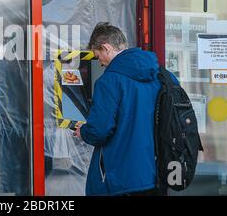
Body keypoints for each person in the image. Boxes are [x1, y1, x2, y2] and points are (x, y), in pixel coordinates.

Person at [74, 22, 176, 196]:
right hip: (159, 173)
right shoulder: (164, 75)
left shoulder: (109, 81)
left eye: (98, 56)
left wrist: (83, 131)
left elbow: (100, 130)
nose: (100, 63)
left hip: (122, 178)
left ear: (106, 48)